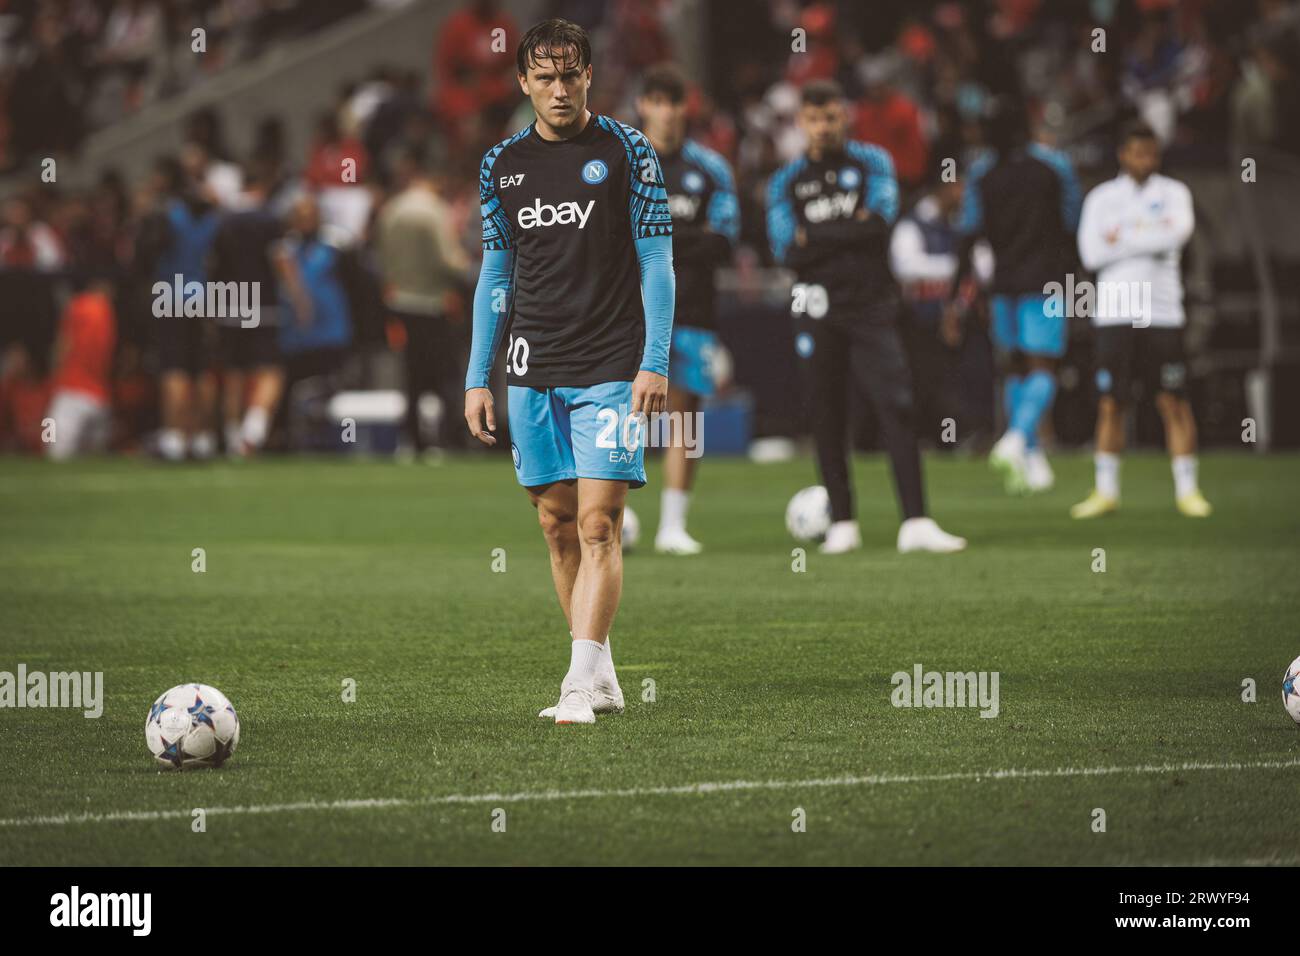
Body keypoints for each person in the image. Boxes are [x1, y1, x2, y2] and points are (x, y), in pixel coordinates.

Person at [463, 19, 674, 725]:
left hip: (612, 364)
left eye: (571, 75)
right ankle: (601, 668)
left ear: (589, 76)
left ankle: (577, 683)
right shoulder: (501, 165)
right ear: (523, 82)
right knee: (555, 523)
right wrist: (475, 376)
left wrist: (654, 359)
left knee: (598, 523)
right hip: (531, 366)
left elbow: (656, 262)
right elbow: (497, 271)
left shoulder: (629, 151)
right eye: (545, 77)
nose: (559, 89)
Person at [766, 79, 965, 555]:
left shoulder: (872, 162)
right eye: (814, 118)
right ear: (802, 123)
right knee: (826, 412)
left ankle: (915, 521)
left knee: (895, 404)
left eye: (831, 116)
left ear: (844, 117)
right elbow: (784, 249)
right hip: (813, 305)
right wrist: (843, 231)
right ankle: (844, 525)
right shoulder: (785, 180)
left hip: (872, 304)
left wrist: (816, 235)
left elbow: (880, 226)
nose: (823, 126)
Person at [1071, 121, 1211, 519]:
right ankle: (1106, 491)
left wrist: (1122, 238)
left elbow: (1177, 235)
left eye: (1152, 153)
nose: (1146, 160)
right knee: (1112, 402)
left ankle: (1188, 490)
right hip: (1114, 313)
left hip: (1163, 313)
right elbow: (1091, 255)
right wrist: (1148, 236)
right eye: (1138, 152)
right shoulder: (1100, 198)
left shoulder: (1175, 193)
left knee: (1173, 399)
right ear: (1122, 153)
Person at [635, 63, 738, 555]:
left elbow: (725, 241)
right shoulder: (623, 161)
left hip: (693, 308)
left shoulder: (711, 168)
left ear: (686, 108)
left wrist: (656, 240)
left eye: (675, 103)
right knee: (621, 410)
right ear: (644, 106)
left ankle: (673, 523)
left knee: (685, 414)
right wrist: (686, 240)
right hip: (629, 311)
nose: (668, 113)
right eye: (658, 101)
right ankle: (615, 511)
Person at [957, 106, 1081, 494]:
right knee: (1043, 366)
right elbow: (1073, 220)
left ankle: (1027, 454)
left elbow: (968, 231)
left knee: (1012, 368)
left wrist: (960, 291)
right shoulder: (1054, 167)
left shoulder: (982, 174)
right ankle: (1016, 440)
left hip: (1002, 283)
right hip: (1046, 281)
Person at [375, 145, 471, 455]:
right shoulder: (434, 210)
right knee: (444, 376)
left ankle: (413, 439)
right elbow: (448, 261)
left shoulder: (391, 209)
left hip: (399, 301)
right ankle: (447, 438)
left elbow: (381, 258)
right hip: (432, 304)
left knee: (412, 377)